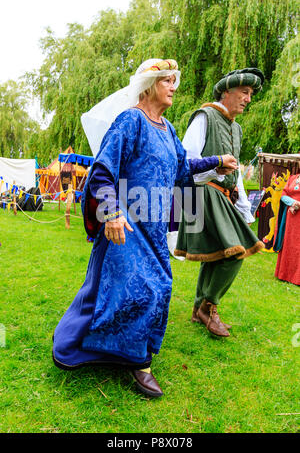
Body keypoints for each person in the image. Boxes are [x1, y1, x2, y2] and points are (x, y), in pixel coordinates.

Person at [52, 58, 237, 398]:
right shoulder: (130, 121)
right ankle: (138, 363)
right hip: (125, 227)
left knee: (156, 290)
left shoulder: (168, 130)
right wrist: (111, 212)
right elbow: (103, 170)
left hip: (153, 231)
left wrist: (216, 163)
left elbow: (184, 168)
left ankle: (126, 353)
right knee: (137, 292)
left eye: (174, 82)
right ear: (150, 85)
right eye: (167, 81)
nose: (173, 87)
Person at [175, 68, 265, 337]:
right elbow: (184, 162)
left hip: (224, 197)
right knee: (236, 252)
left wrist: (244, 210)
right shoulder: (205, 117)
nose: (248, 99)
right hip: (202, 193)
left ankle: (198, 309)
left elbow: (235, 173)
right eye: (244, 92)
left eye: (251, 94)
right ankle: (208, 307)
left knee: (215, 255)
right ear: (226, 92)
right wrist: (215, 169)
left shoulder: (236, 129)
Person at [274, 174, 300, 286]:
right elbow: (283, 195)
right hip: (290, 217)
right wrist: (293, 203)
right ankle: (286, 275)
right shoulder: (293, 178)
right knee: (289, 244)